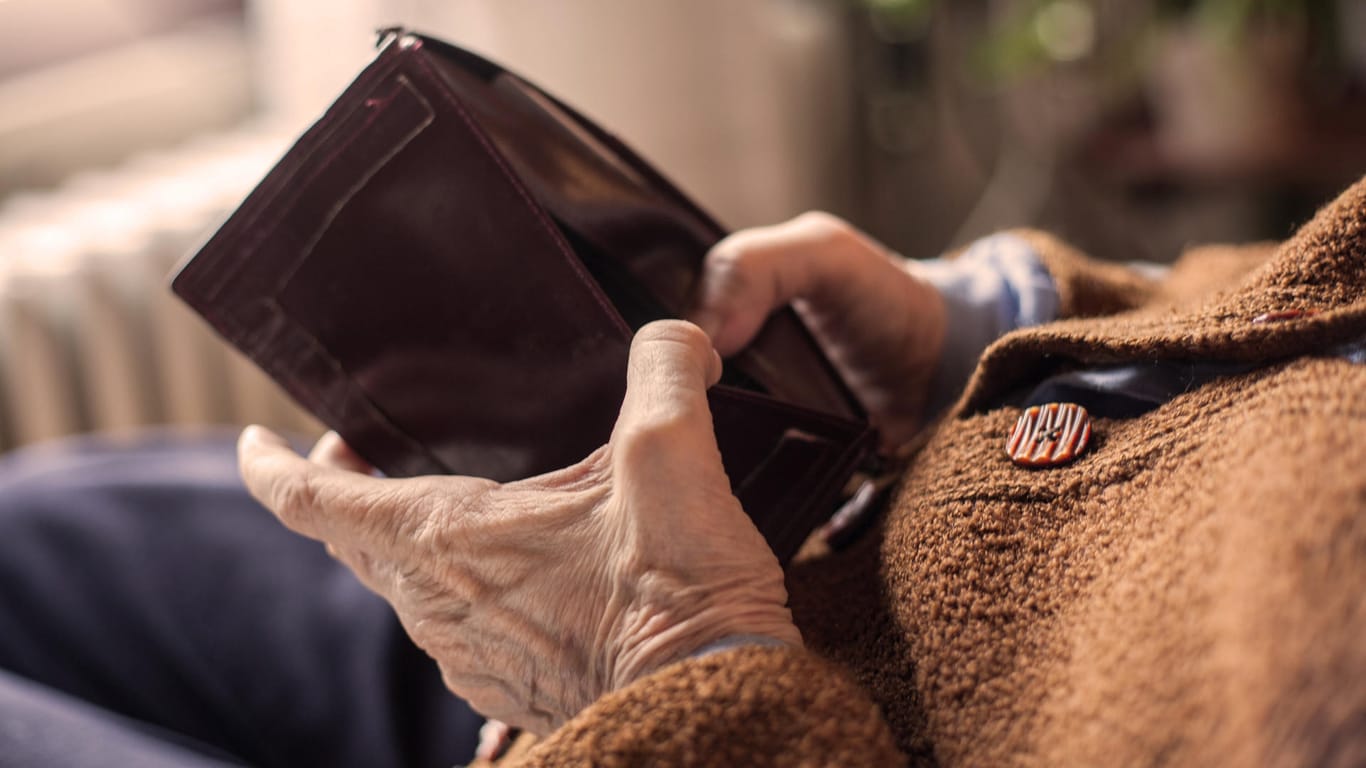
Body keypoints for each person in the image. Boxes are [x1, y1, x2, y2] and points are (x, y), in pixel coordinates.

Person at [3, 176, 1365, 766]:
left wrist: (676, 662)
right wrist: (979, 326)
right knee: (28, 532)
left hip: (692, 701)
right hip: (770, 568)